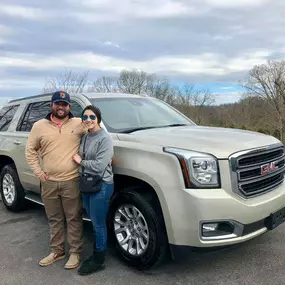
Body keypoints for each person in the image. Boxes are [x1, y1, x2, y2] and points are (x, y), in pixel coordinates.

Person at [25, 90, 87, 269]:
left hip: (71, 181)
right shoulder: (39, 126)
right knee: (54, 218)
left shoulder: (79, 123)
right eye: (58, 103)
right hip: (49, 182)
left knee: (74, 218)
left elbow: (95, 129)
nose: (61, 107)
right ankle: (57, 251)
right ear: (51, 105)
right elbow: (30, 151)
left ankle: (75, 253)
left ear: (69, 106)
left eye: (65, 104)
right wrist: (39, 172)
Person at [72, 105, 114, 276]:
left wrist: (80, 161)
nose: (88, 120)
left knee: (98, 224)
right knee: (92, 219)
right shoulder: (86, 136)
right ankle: (97, 252)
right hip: (87, 184)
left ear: (98, 118)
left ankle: (99, 259)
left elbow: (99, 166)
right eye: (85, 117)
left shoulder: (105, 138)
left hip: (101, 184)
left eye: (91, 117)